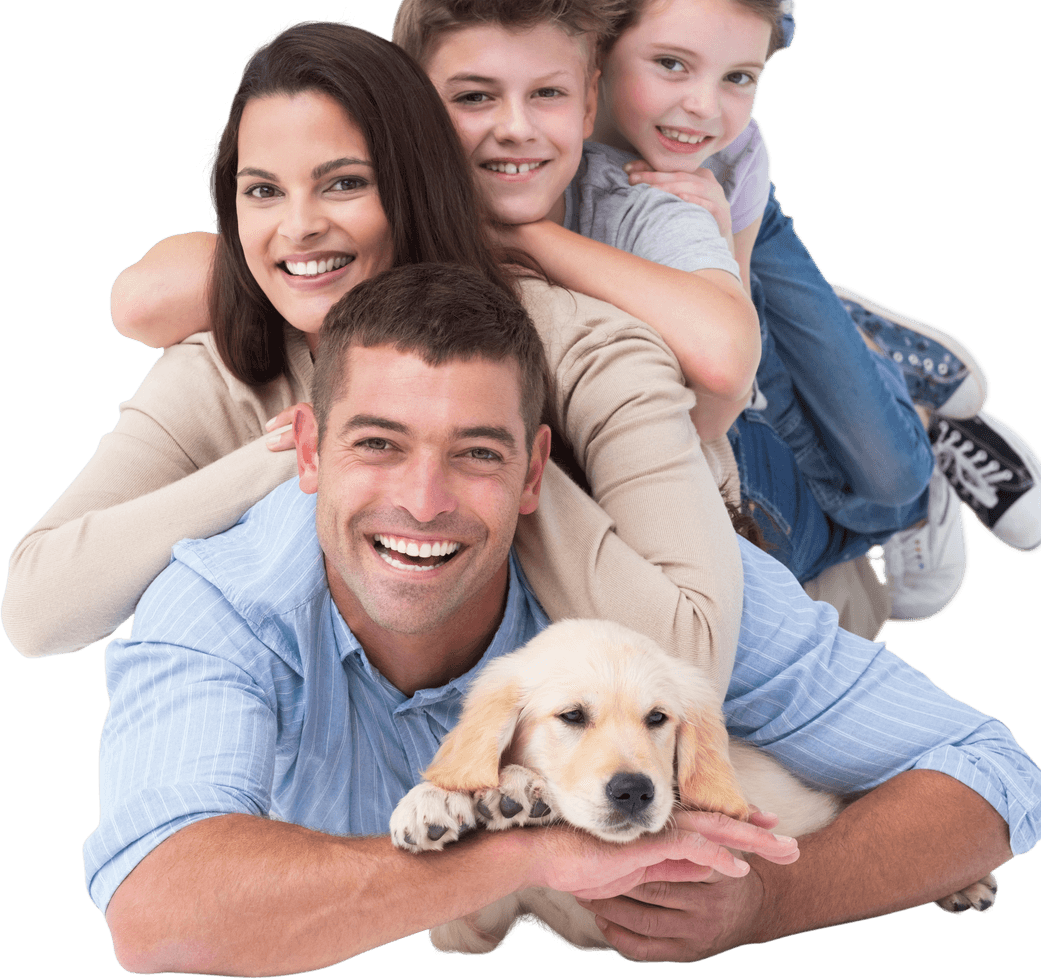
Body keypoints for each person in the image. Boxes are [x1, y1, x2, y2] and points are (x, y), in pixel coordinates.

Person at [87, 264, 1040, 974]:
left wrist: (769, 902)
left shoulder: (657, 605)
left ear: (535, 470)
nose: (423, 500)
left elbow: (994, 775)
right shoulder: (221, 602)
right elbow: (154, 909)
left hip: (752, 506)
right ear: (306, 450)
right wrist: (518, 851)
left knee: (849, 572)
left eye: (476, 453)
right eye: (377, 445)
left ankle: (889, 446)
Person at [2, 20, 744, 693]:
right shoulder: (227, 367)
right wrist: (294, 451)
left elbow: (692, 661)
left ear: (414, 186)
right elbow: (37, 612)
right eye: (262, 191)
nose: (297, 227)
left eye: (344, 184)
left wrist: (483, 453)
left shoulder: (586, 350)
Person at [584, 0, 1041, 561]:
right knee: (890, 489)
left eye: (738, 77)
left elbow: (732, 340)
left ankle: (870, 349)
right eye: (671, 65)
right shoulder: (552, 129)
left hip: (739, 227)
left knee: (893, 470)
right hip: (676, 259)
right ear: (599, 39)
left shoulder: (733, 153)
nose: (704, 108)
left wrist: (716, 235)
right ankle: (891, 396)